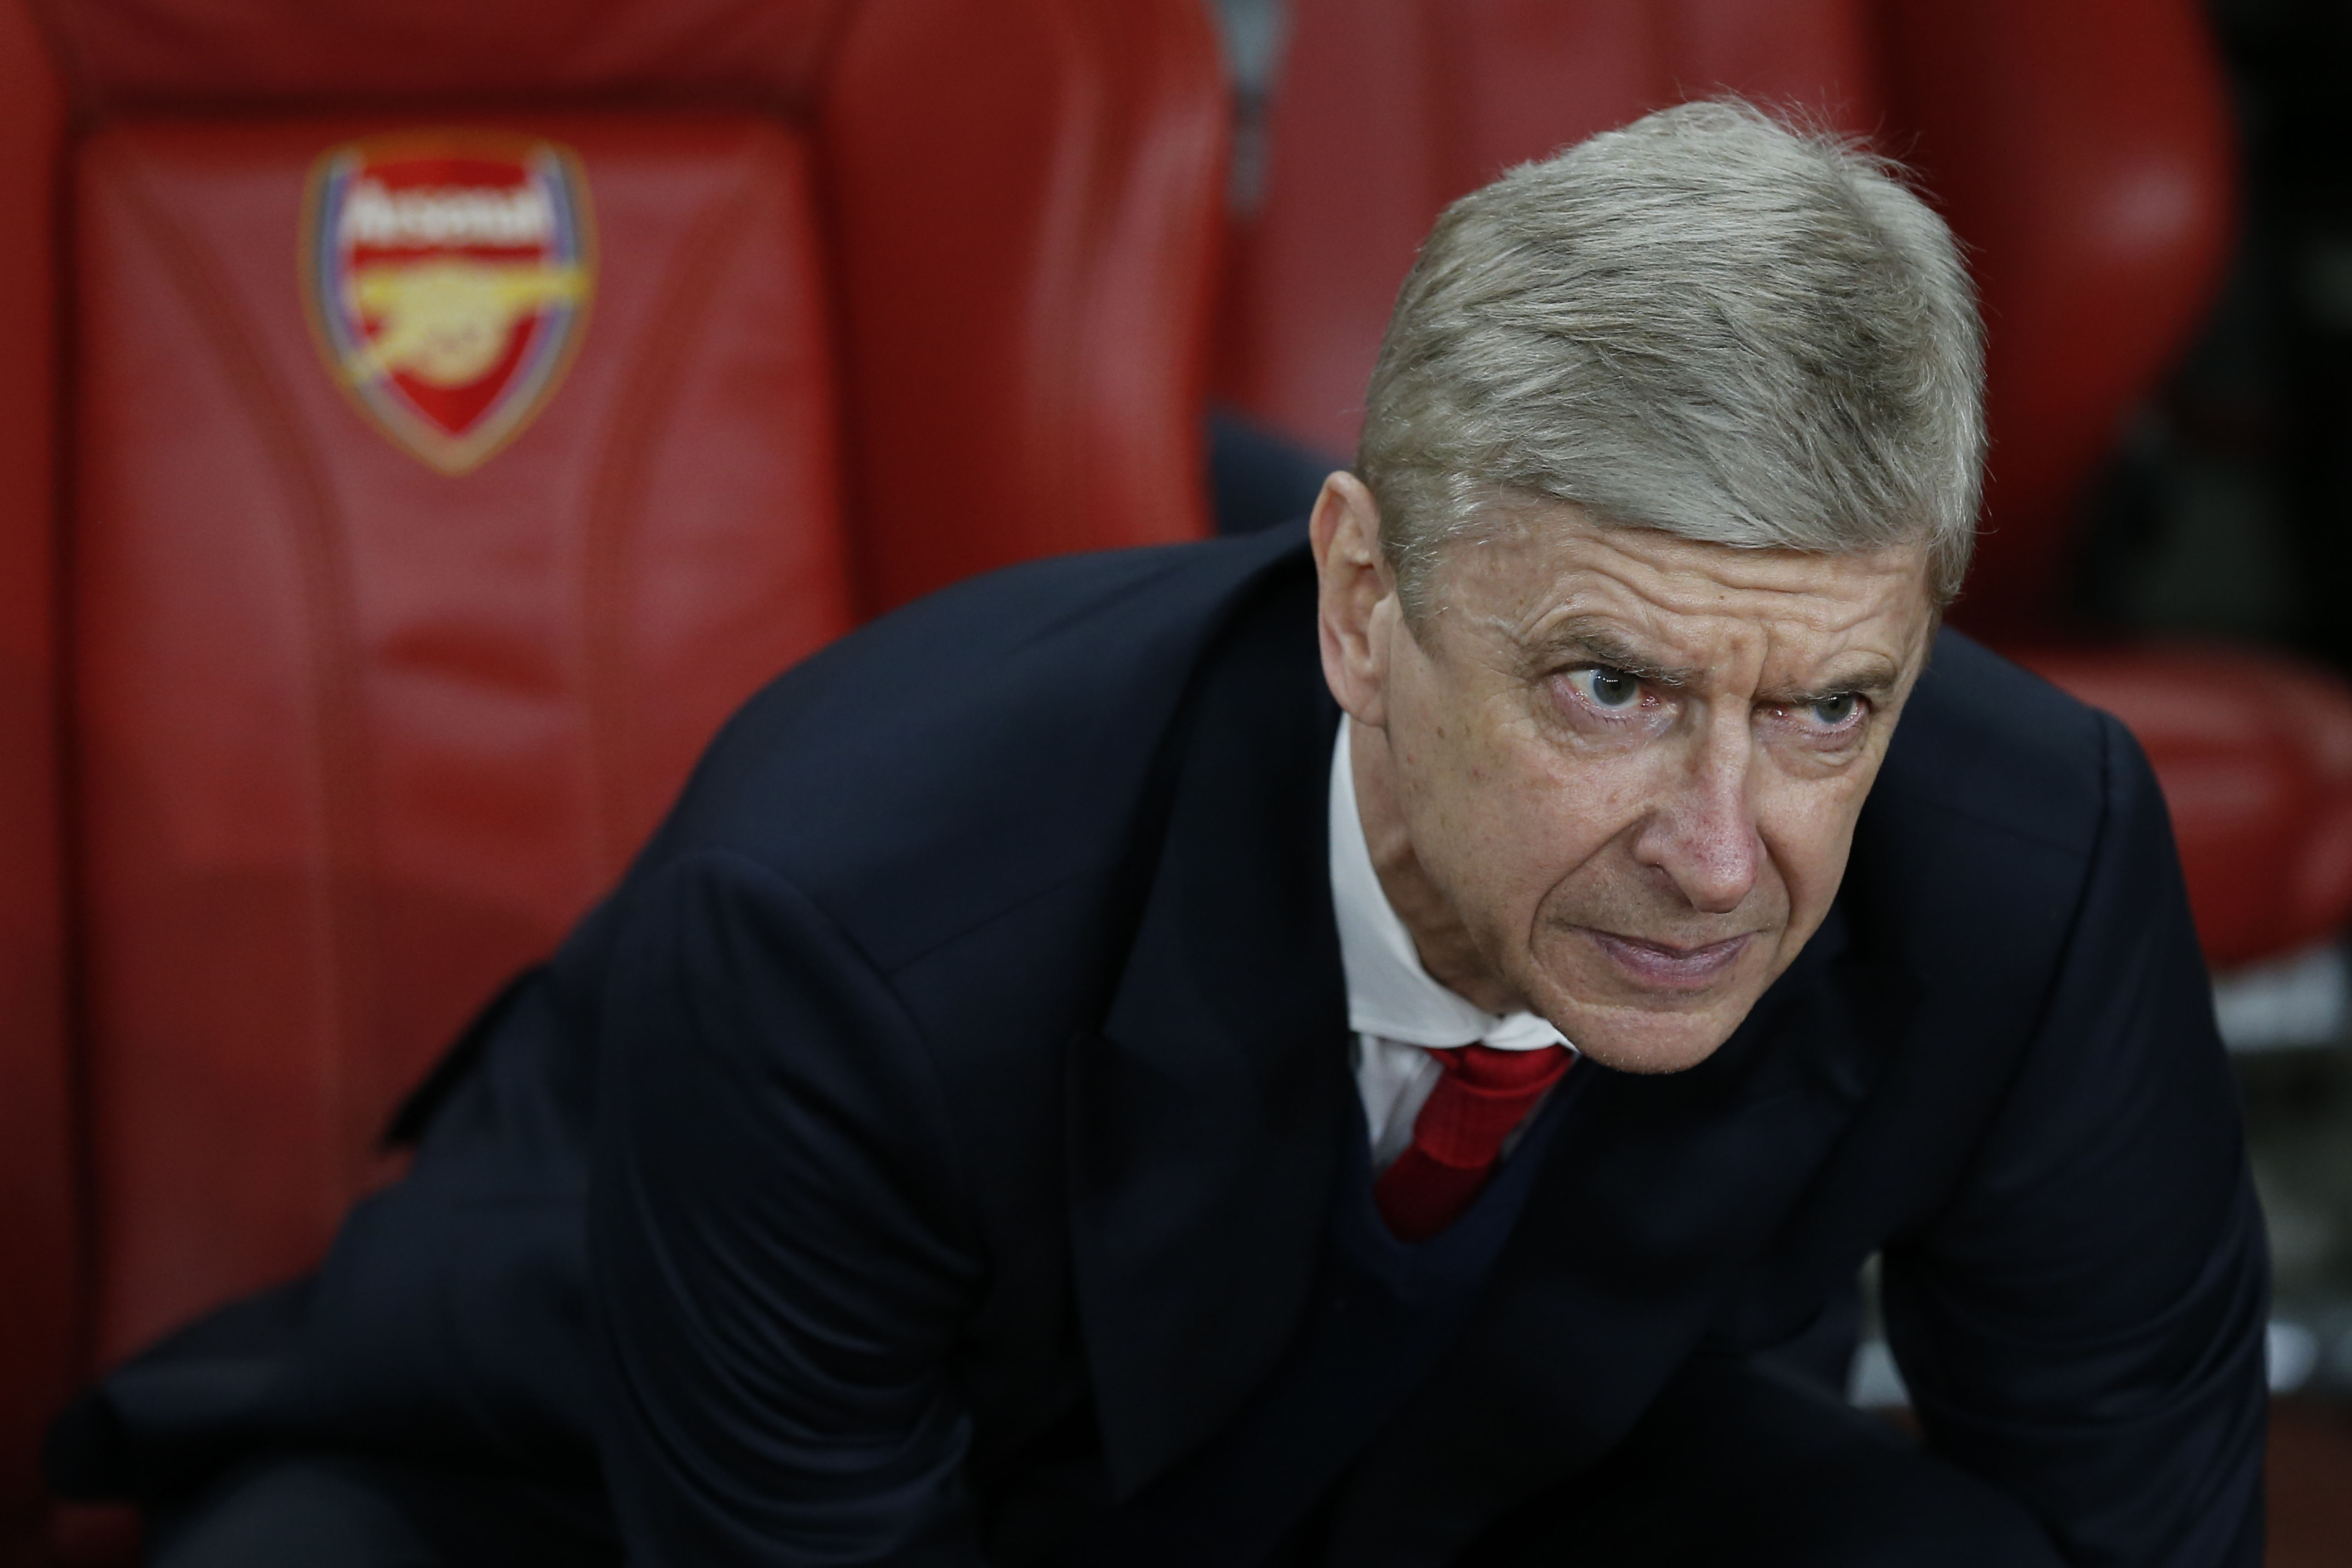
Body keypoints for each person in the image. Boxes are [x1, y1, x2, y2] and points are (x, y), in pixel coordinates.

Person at [53, 100, 2266, 1567]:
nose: (1720, 850)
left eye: (1830, 707)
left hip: (1480, 1455)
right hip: (603, 1474)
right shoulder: (855, 910)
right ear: (1365, 601)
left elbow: (2120, 1509)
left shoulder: (2029, 848)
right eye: (1610, 685)